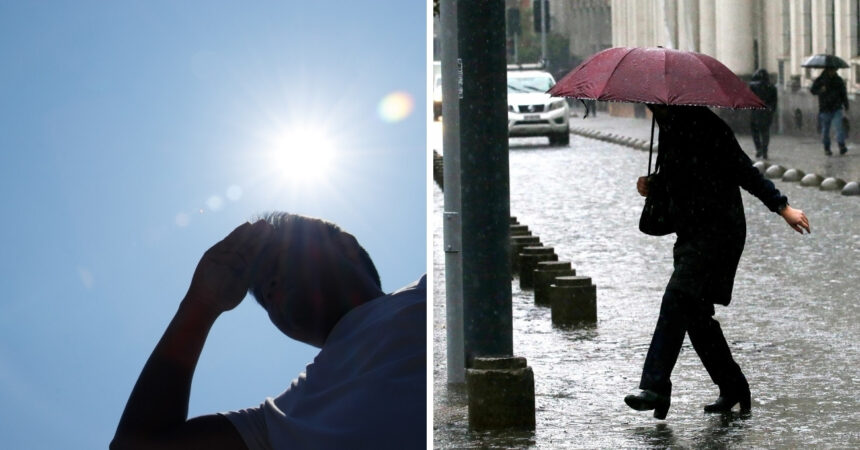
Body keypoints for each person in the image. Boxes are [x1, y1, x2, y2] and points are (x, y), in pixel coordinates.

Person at [111, 213, 426, 449]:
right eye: (262, 293)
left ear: (346, 246)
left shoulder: (432, 295)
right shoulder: (278, 421)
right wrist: (201, 304)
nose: (270, 285)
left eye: (282, 259)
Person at [625, 105, 810, 420]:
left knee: (677, 298)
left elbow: (744, 171)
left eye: (654, 104)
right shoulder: (668, 128)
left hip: (719, 233)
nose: (650, 107)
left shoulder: (708, 126)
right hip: (691, 234)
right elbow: (682, 178)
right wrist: (652, 184)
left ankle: (655, 386)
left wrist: (782, 207)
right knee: (695, 315)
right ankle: (733, 385)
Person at [810, 67, 849, 155]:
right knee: (825, 129)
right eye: (831, 70)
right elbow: (812, 90)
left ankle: (841, 145)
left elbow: (843, 93)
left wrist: (846, 104)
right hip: (825, 108)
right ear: (827, 70)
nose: (833, 72)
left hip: (836, 107)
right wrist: (821, 90)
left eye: (834, 70)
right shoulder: (820, 80)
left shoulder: (838, 80)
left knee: (839, 127)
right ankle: (827, 148)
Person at [748, 69, 777, 159]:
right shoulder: (772, 87)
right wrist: (771, 110)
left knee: (755, 131)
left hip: (756, 111)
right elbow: (774, 101)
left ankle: (758, 148)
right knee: (765, 132)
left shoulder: (753, 86)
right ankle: (765, 150)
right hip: (767, 111)